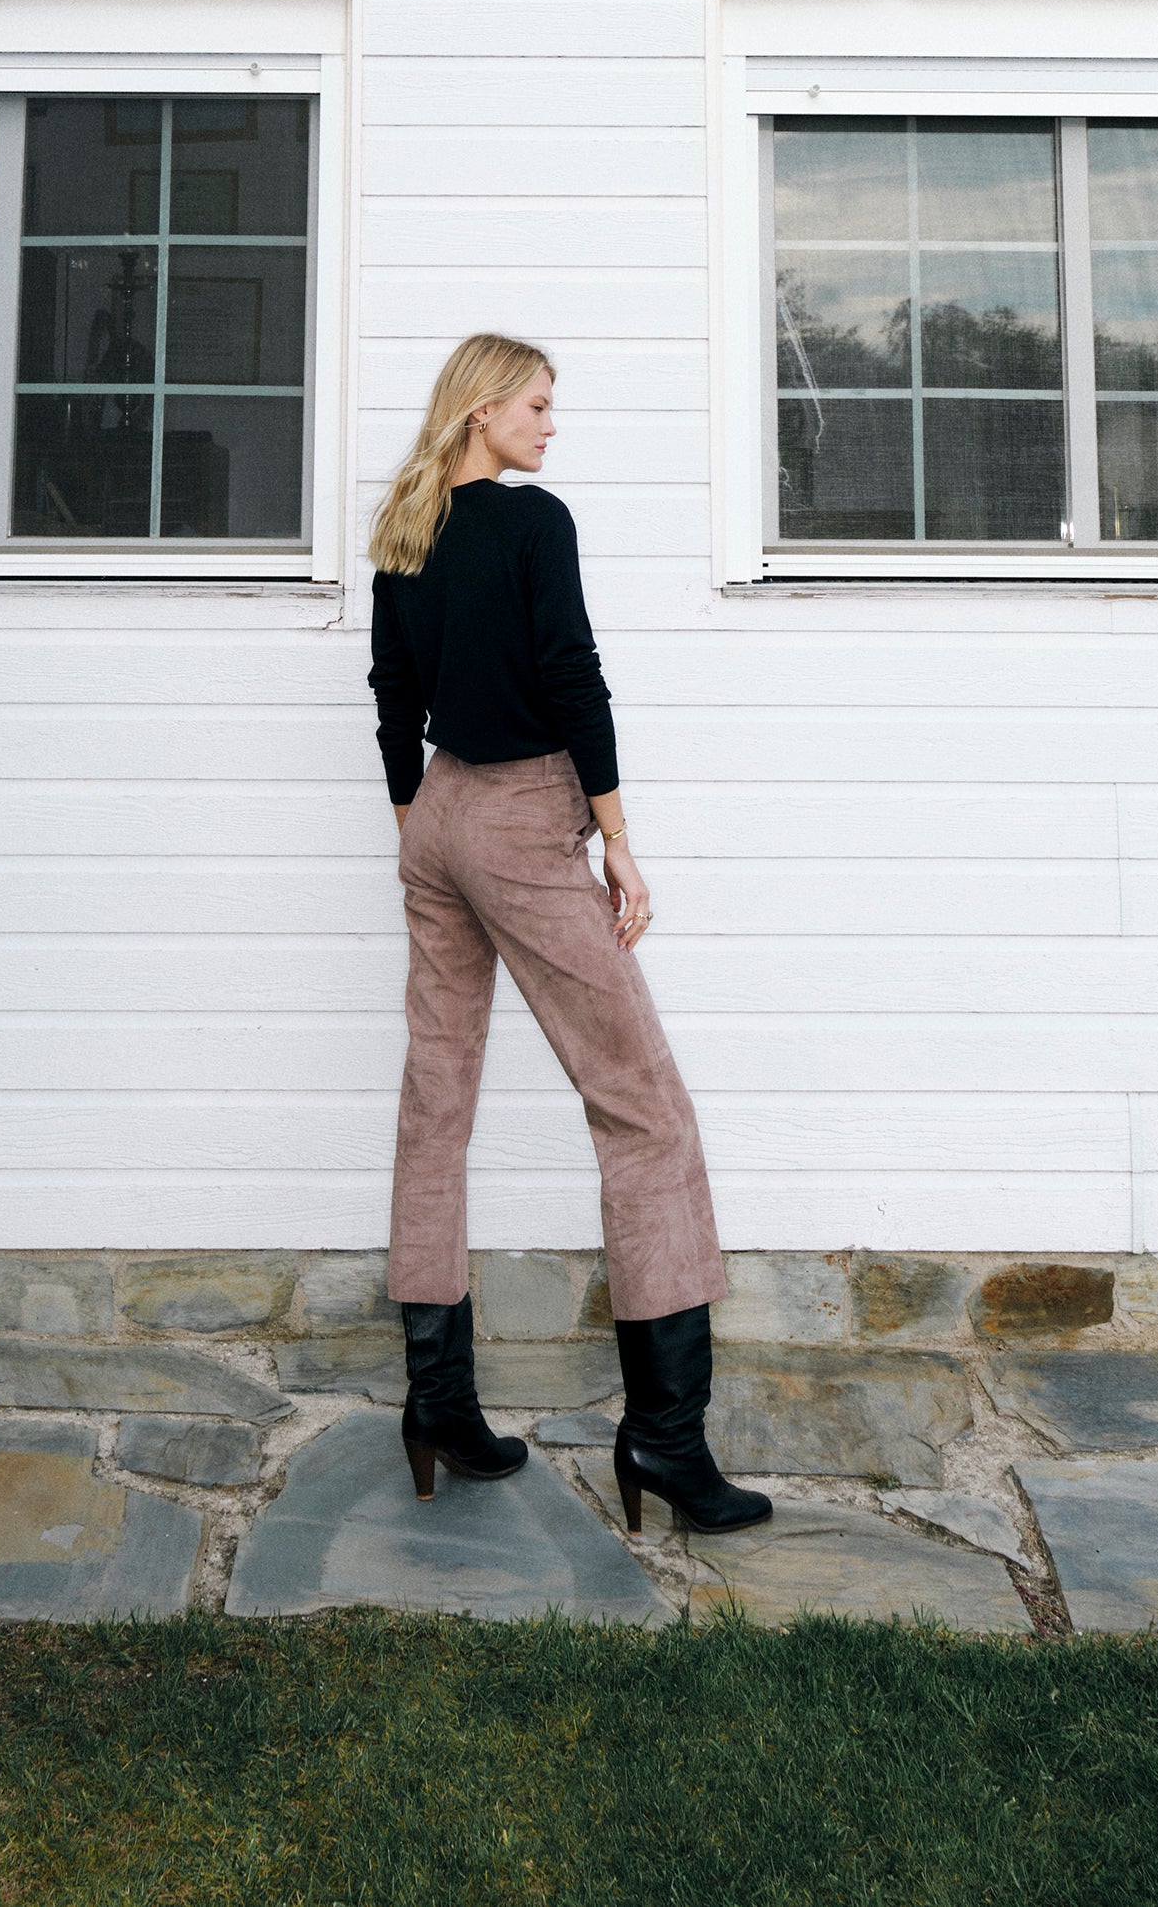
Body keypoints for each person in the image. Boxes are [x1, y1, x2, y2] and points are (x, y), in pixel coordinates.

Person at [367, 331, 771, 1537]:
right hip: (524, 813)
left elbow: (394, 696)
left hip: (436, 812)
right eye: (540, 405)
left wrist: (418, 823)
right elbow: (571, 671)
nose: (552, 426)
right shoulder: (532, 523)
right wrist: (614, 838)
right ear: (484, 409)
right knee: (644, 1110)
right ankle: (664, 1443)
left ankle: (436, 1404)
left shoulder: (404, 528)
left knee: (435, 1105)